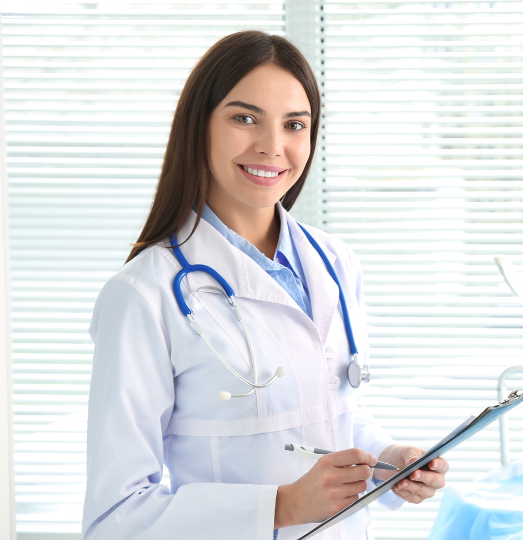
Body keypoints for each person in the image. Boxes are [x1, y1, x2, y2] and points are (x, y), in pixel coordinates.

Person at [81, 30, 448, 540]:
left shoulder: (336, 264)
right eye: (244, 118)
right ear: (199, 127)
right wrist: (279, 507)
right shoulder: (144, 294)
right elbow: (114, 517)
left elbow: (324, 418)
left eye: (294, 125)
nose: (273, 147)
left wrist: (388, 461)